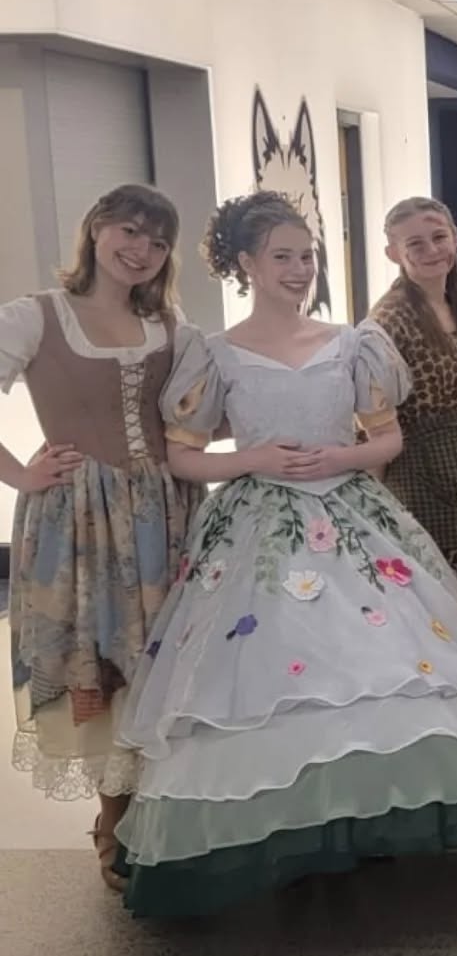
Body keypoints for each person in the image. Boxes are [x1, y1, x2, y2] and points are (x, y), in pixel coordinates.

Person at [112, 191, 457, 919]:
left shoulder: (353, 342)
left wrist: (344, 453)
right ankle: (292, 829)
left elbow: (387, 437)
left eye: (308, 256)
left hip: (353, 517)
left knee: (382, 668)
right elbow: (183, 456)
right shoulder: (214, 351)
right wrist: (253, 457)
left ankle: (367, 817)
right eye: (283, 258)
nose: (300, 270)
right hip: (257, 527)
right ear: (245, 265)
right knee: (269, 681)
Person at [1, 184, 205, 891]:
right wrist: (19, 477)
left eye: (156, 240)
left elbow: (198, 416)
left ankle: (160, 809)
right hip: (80, 521)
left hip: (167, 513)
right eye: (127, 230)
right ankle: (114, 816)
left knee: (165, 664)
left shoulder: (171, 324)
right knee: (101, 663)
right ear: (95, 229)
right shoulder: (37, 316)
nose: (139, 249)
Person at [367, 197, 457, 617]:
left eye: (439, 237)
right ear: (394, 253)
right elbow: (371, 418)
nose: (431, 251)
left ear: (455, 239)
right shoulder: (388, 320)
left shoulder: (456, 301)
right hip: (422, 477)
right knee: (443, 595)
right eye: (415, 243)